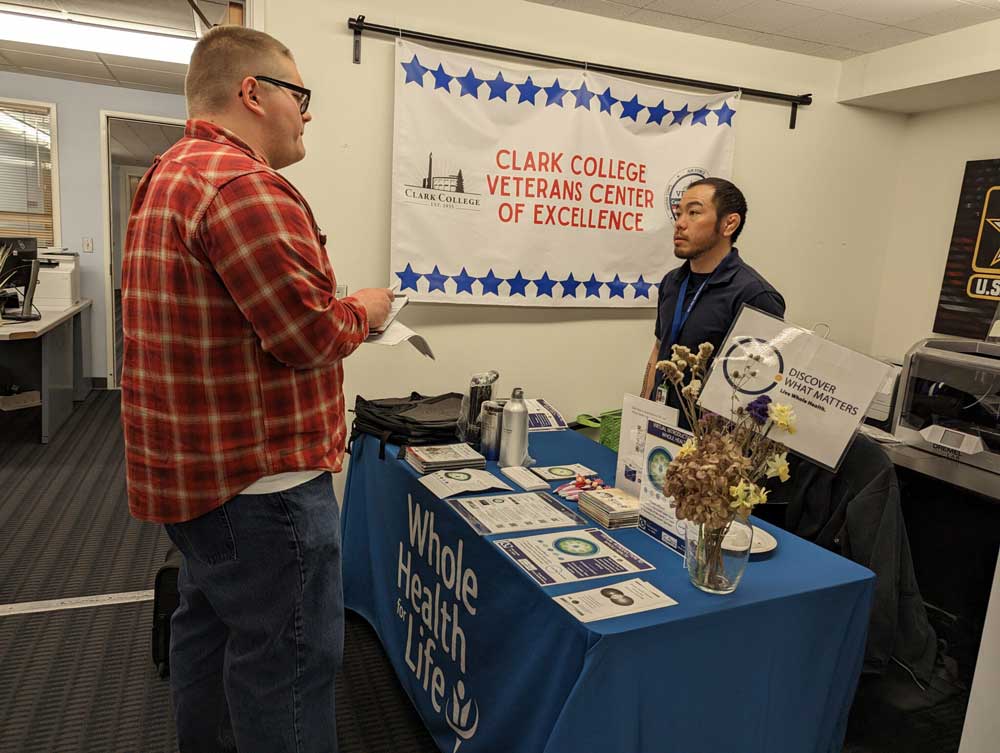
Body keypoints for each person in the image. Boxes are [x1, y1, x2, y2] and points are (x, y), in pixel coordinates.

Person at [120, 26, 392, 753]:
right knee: (291, 665)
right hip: (263, 491)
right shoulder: (244, 185)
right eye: (300, 96)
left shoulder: (170, 173)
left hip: (200, 478)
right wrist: (364, 309)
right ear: (253, 93)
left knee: (208, 634)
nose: (308, 115)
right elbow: (308, 334)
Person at [641, 178, 785, 407]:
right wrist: (643, 410)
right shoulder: (672, 282)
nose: (680, 223)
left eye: (694, 213)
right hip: (659, 428)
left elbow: (758, 386)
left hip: (710, 439)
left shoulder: (755, 295)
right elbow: (659, 349)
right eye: (679, 214)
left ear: (729, 224)